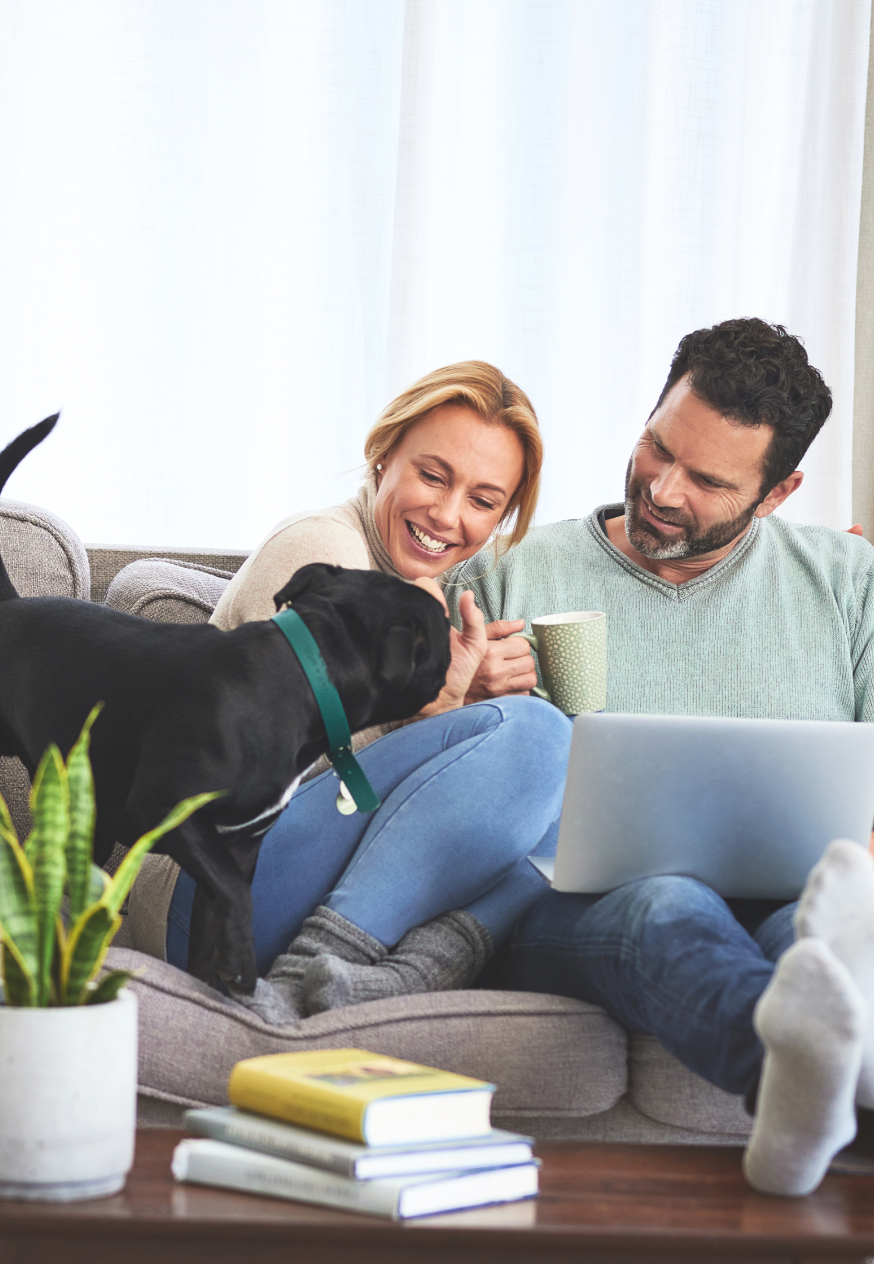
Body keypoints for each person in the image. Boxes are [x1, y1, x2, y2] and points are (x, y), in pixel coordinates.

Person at [456, 318, 874, 1196]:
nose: (664, 489)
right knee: (666, 901)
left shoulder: (847, 582)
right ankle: (842, 1075)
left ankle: (811, 1081)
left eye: (708, 480)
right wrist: (467, 704)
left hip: (794, 896)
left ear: (778, 490)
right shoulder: (514, 571)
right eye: (657, 447)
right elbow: (428, 769)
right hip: (580, 911)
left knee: (822, 938)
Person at [154, 362, 573, 1023]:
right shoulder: (326, 554)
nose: (447, 513)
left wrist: (451, 717)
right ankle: (308, 977)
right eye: (432, 476)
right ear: (384, 456)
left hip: (272, 886)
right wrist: (438, 717)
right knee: (541, 734)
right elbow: (274, 774)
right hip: (207, 892)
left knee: (560, 818)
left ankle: (400, 975)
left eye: (483, 501)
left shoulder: (423, 597)